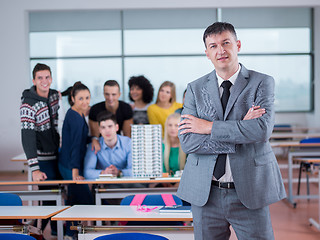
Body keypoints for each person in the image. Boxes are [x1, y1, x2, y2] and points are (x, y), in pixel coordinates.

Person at [177, 22, 286, 240]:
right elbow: (188, 142)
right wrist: (241, 131)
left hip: (249, 189)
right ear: (207, 53)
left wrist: (208, 127)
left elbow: (262, 130)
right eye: (213, 46)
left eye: (226, 43)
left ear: (237, 45)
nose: (221, 50)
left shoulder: (261, 82)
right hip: (205, 193)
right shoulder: (195, 88)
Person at [20, 63, 60, 236]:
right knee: (50, 198)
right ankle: (38, 233)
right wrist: (34, 168)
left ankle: (56, 232)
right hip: (43, 159)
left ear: (51, 78)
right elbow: (27, 137)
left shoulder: (54, 96)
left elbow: (61, 94)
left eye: (47, 77)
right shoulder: (27, 105)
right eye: (40, 78)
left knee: (59, 195)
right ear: (34, 80)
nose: (44, 81)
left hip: (57, 155)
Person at [59, 82, 94, 239]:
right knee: (83, 199)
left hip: (72, 163)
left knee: (76, 199)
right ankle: (70, 233)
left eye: (87, 98)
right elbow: (74, 145)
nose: (85, 101)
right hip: (69, 165)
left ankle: (71, 232)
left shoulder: (79, 113)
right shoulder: (74, 117)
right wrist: (75, 171)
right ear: (72, 98)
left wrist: (93, 139)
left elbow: (81, 139)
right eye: (81, 98)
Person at [84, 111, 132, 180]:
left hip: (126, 184)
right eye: (103, 127)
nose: (107, 131)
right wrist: (104, 173)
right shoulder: (94, 145)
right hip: (104, 186)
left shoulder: (128, 143)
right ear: (99, 130)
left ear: (117, 127)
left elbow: (135, 171)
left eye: (110, 126)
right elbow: (87, 172)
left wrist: (119, 172)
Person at [89, 80, 133, 153]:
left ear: (119, 94)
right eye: (107, 94)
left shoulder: (126, 108)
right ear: (103, 94)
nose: (110, 98)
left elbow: (127, 136)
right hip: (100, 146)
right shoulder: (95, 109)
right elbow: (95, 137)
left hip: (119, 145)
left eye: (114, 94)